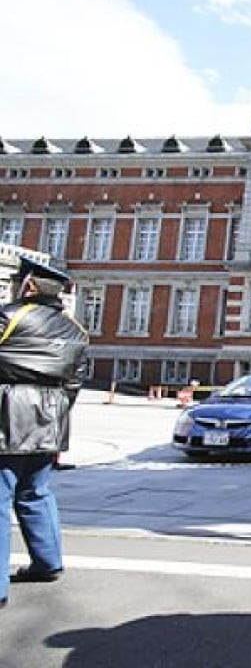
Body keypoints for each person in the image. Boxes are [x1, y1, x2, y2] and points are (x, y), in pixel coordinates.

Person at [1, 258, 89, 610]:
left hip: (8, 414)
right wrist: (55, 412)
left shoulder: (10, 317)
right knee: (36, 492)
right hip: (51, 417)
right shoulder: (76, 330)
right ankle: (48, 561)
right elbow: (75, 383)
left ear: (30, 286)